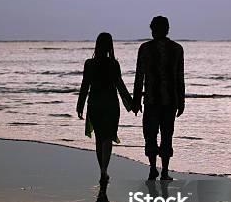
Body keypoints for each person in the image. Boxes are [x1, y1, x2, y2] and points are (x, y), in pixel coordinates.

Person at [133, 16, 185, 180]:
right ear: (167, 29)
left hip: (151, 100)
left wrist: (136, 100)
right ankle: (164, 171)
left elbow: (139, 76)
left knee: (150, 134)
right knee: (166, 134)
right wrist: (181, 101)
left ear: (152, 29)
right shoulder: (177, 49)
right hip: (169, 100)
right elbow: (179, 78)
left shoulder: (145, 48)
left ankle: (153, 169)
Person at [77, 32, 132, 185]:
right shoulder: (113, 64)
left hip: (94, 104)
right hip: (110, 105)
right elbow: (120, 86)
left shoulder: (89, 64)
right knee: (108, 137)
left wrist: (80, 105)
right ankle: (104, 170)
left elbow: (84, 86)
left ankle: (102, 170)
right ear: (110, 46)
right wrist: (131, 104)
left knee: (99, 138)